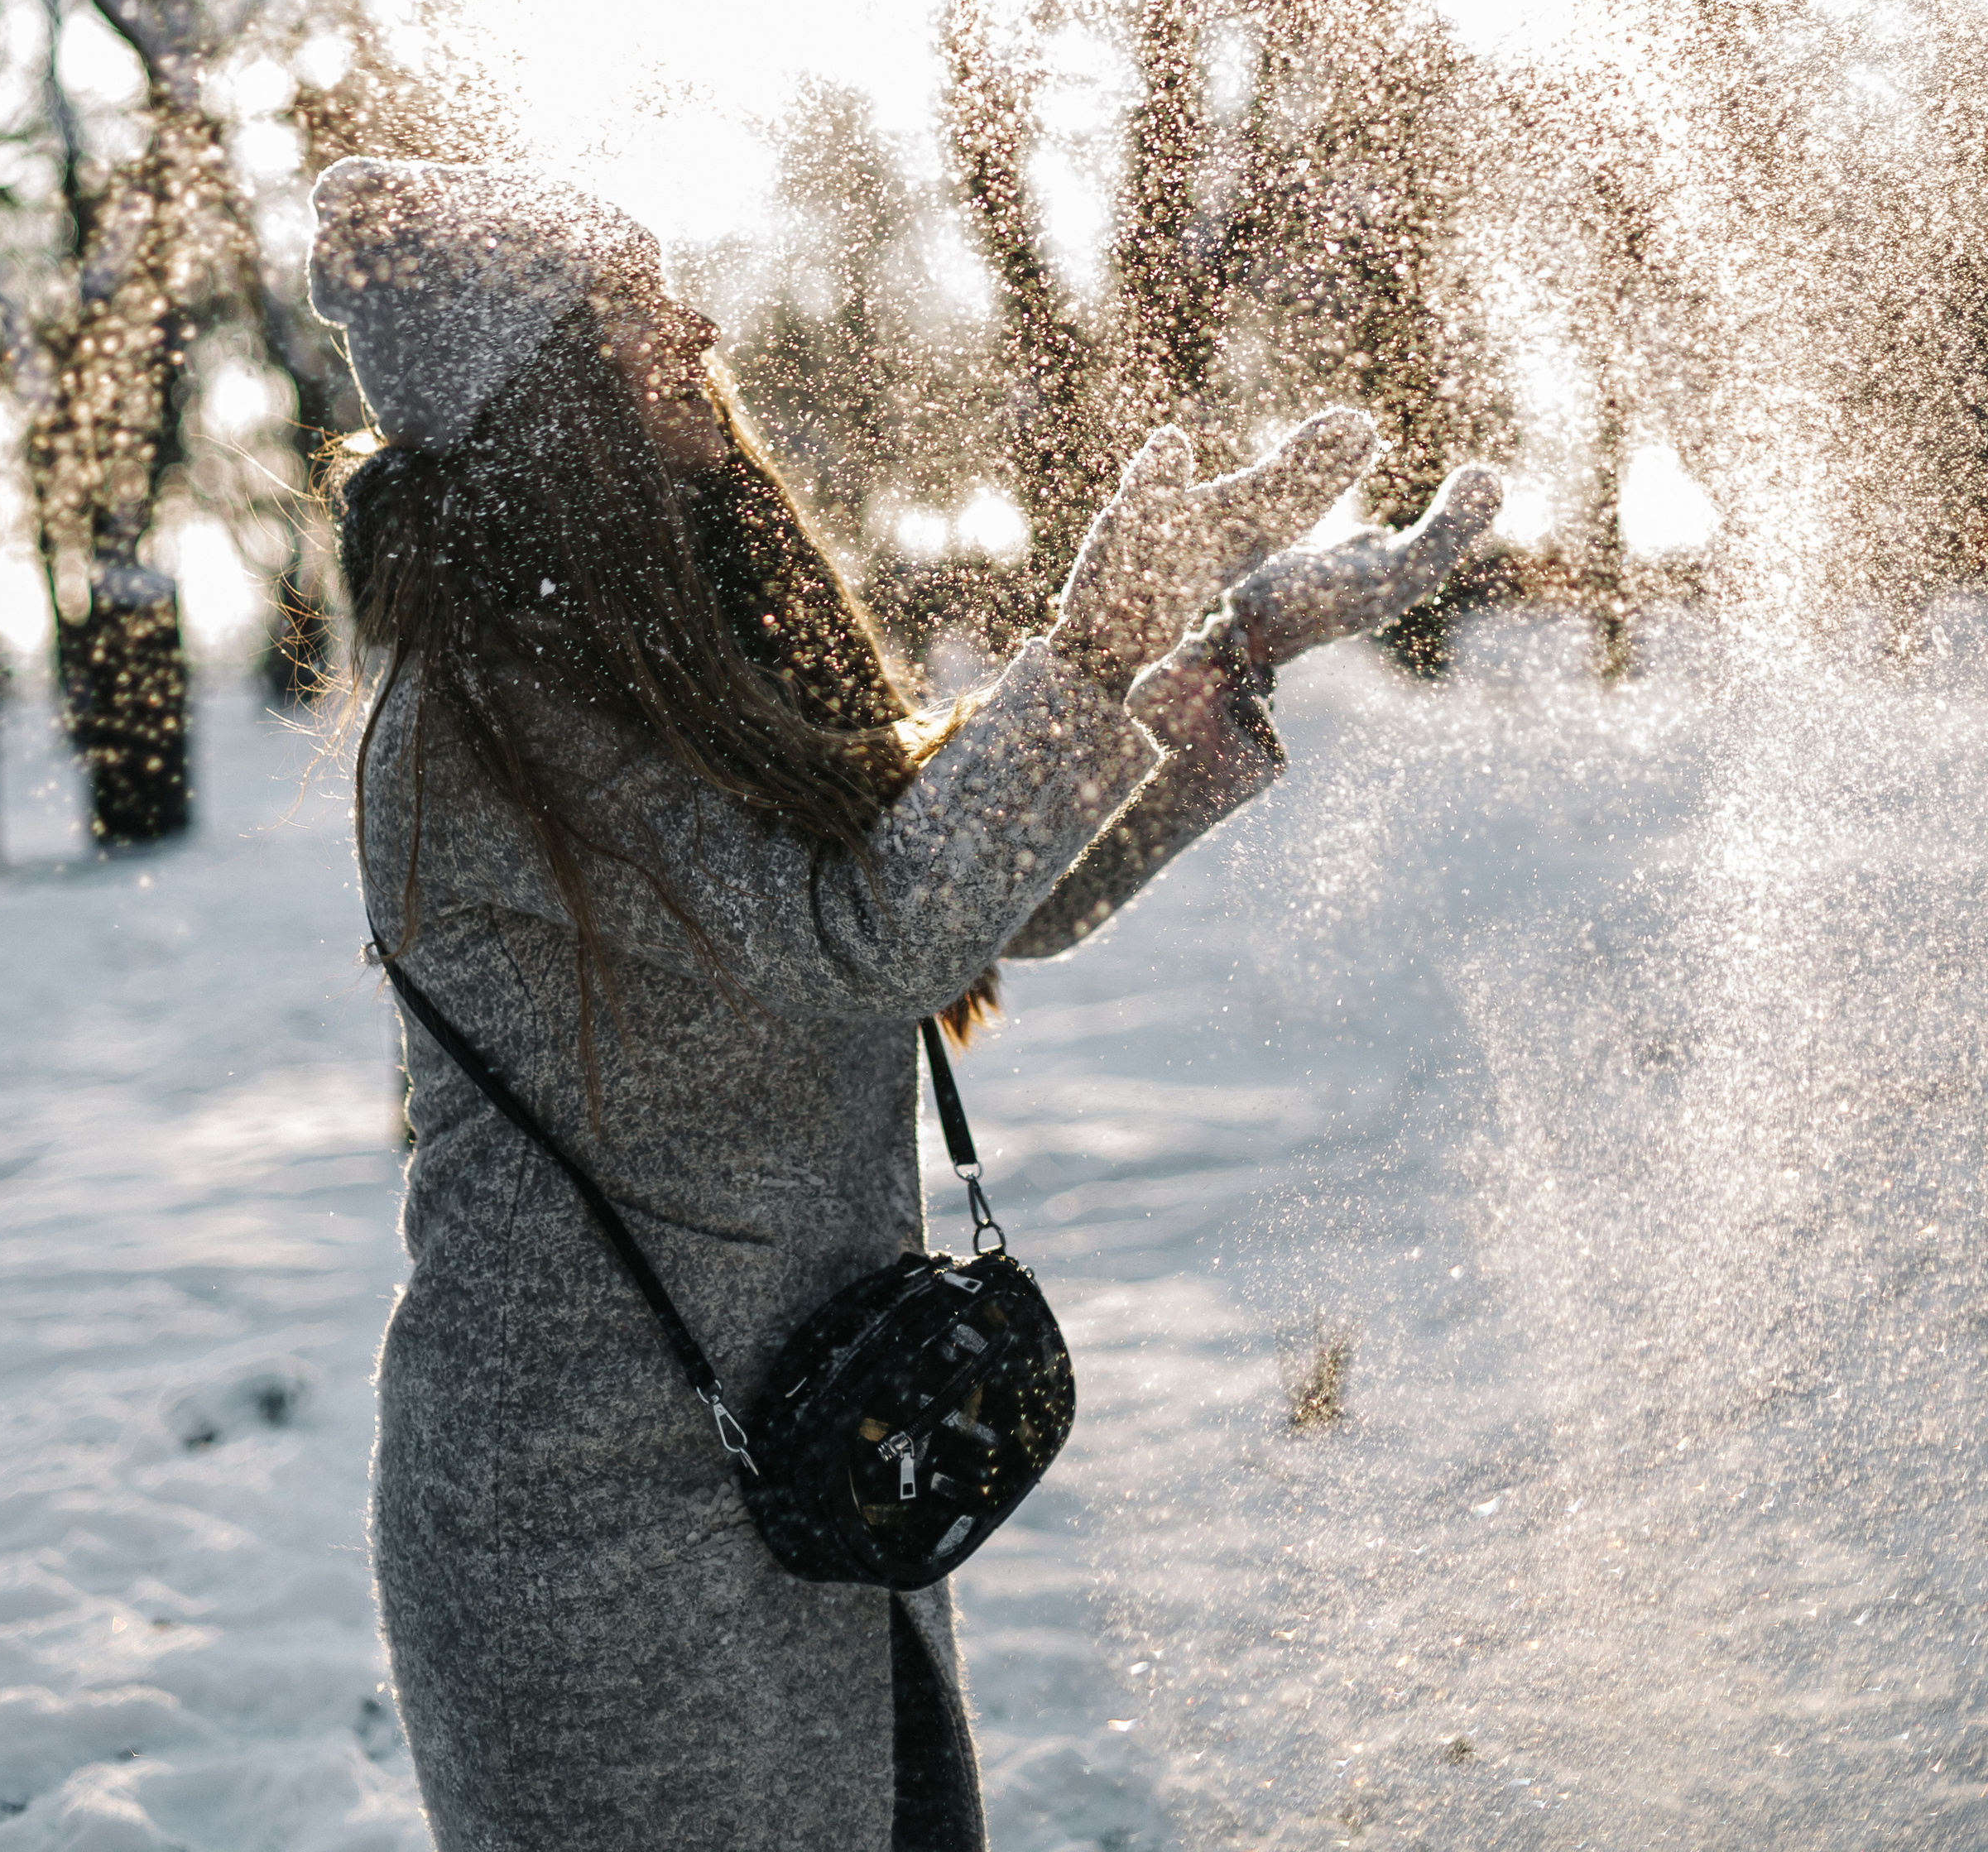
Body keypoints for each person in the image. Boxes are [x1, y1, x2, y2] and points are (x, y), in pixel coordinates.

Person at [311, 156, 1498, 1852]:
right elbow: (874, 937)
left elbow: (962, 904)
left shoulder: (658, 658)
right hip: (590, 1540)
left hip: (813, 1458)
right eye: (638, 309)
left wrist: (1215, 658)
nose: (696, 329)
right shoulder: (480, 726)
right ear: (548, 392)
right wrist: (1091, 637)